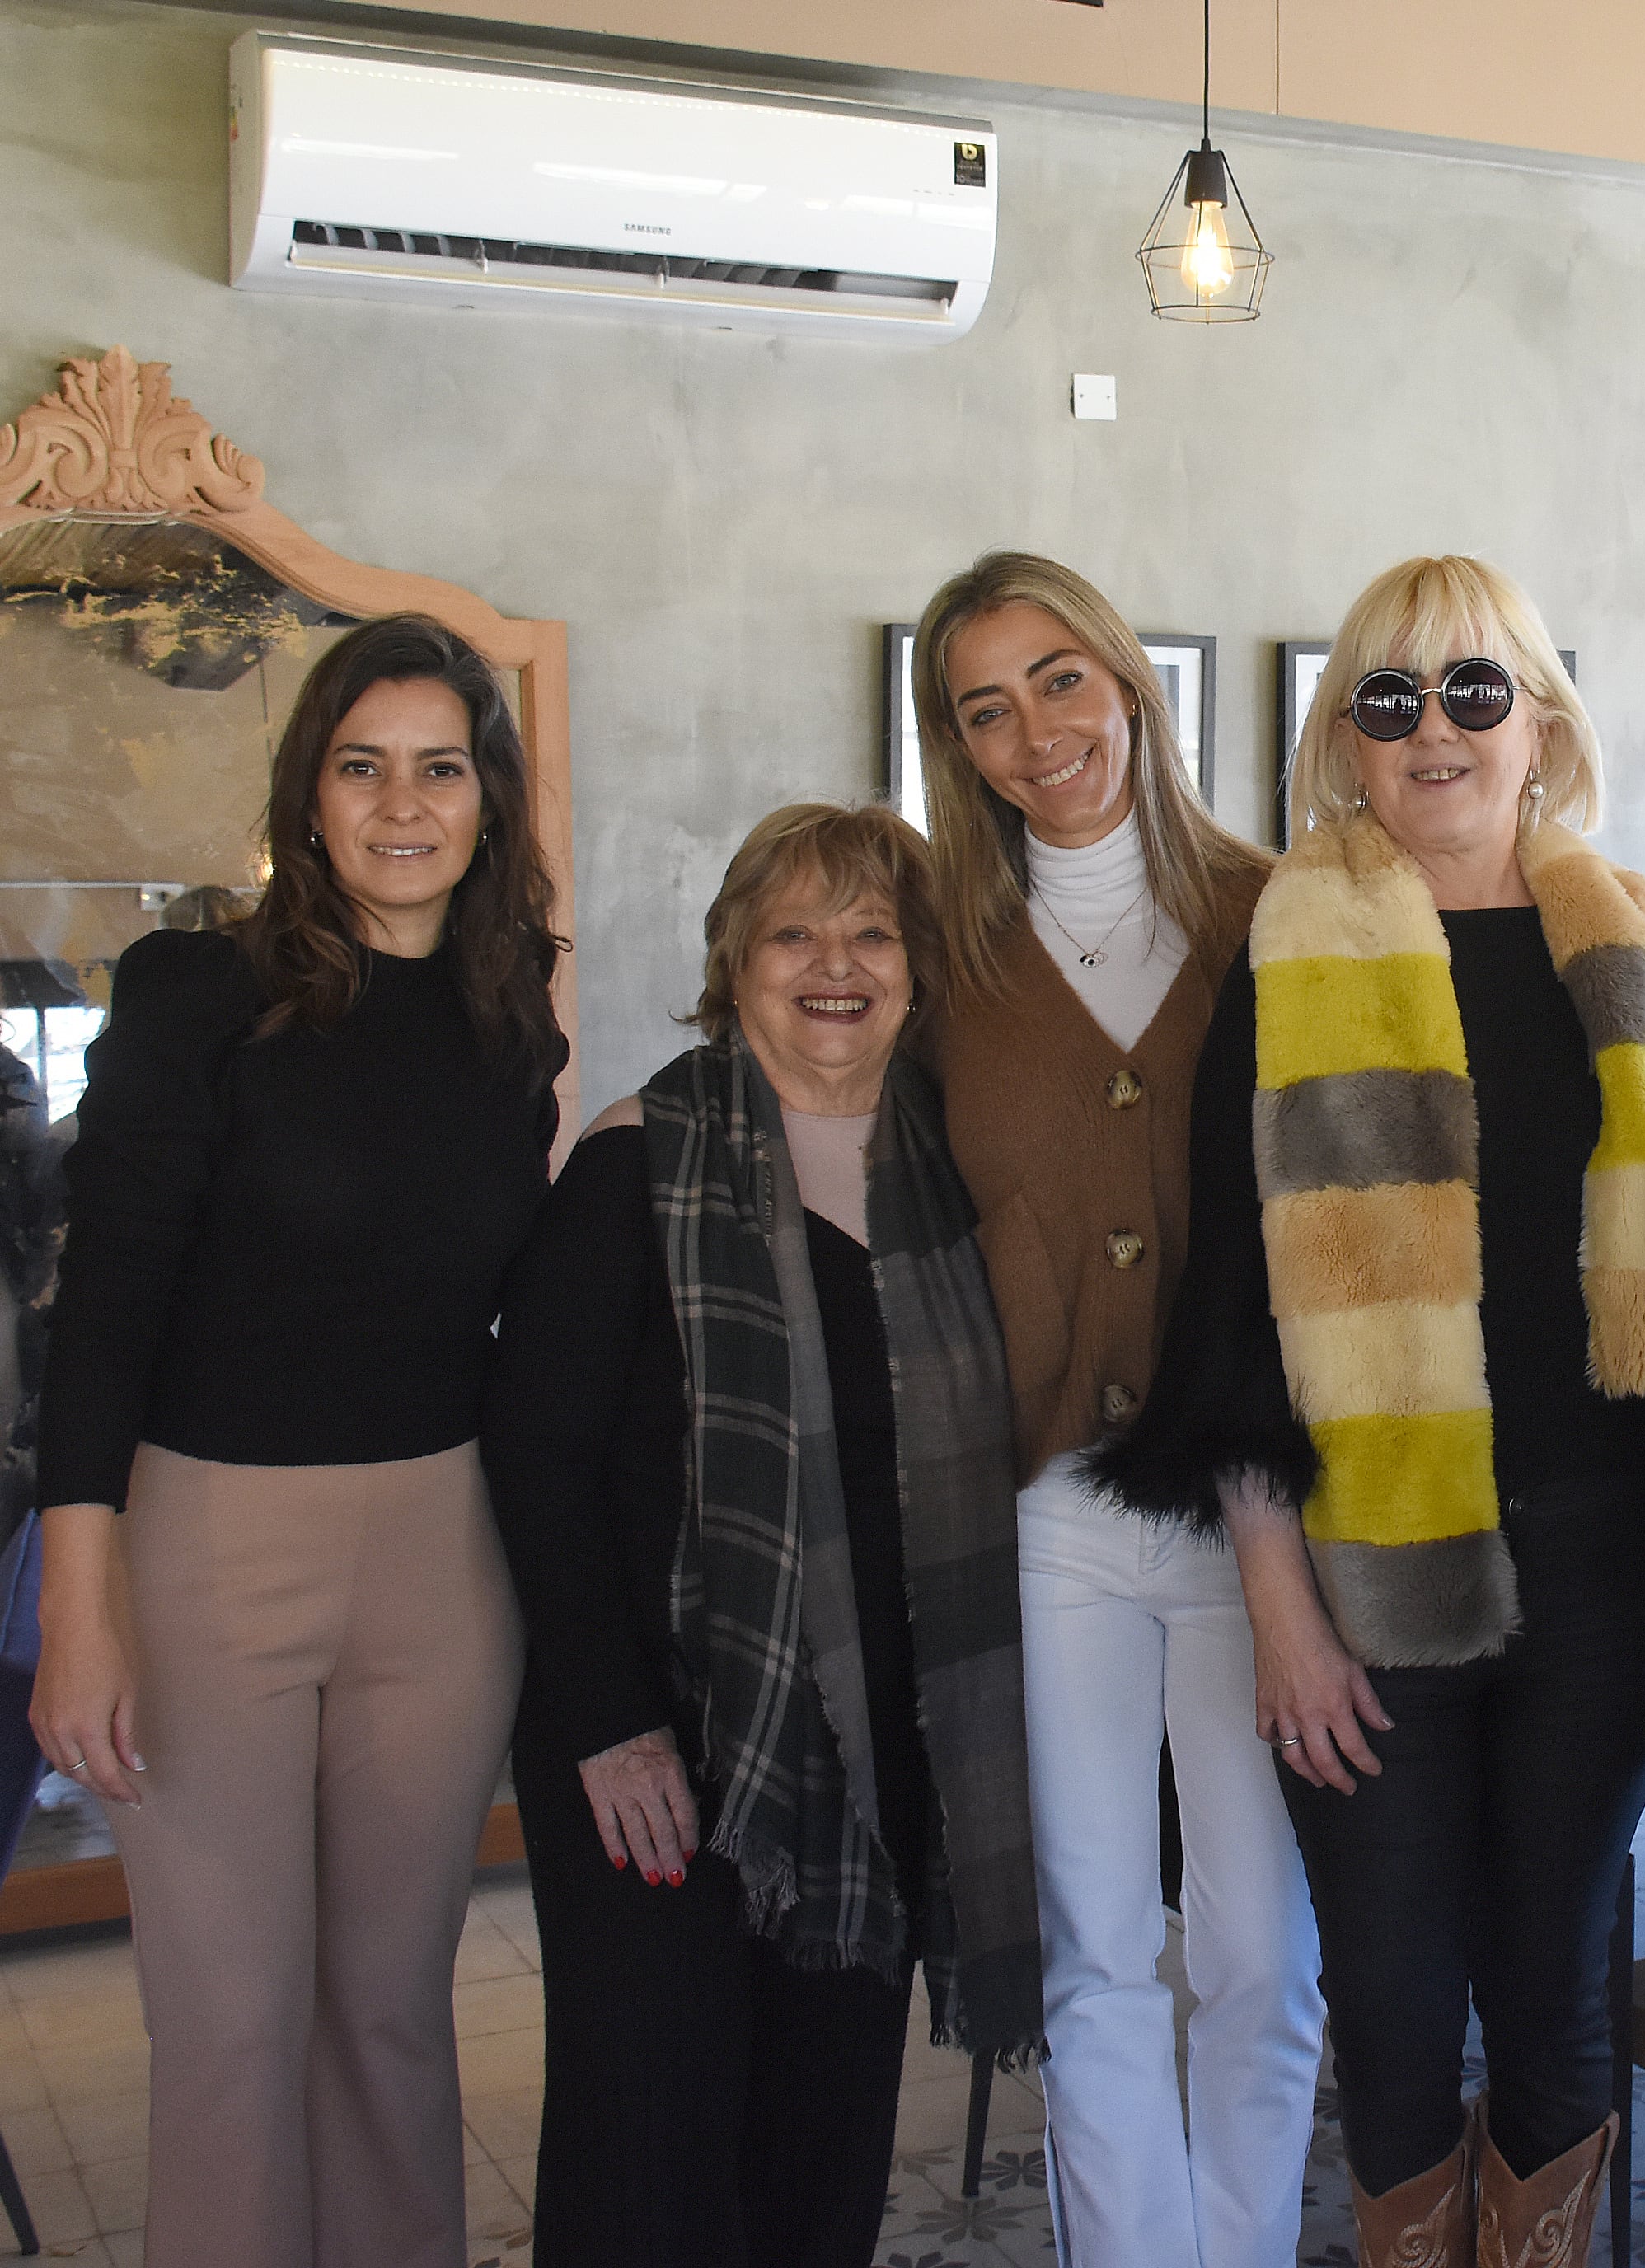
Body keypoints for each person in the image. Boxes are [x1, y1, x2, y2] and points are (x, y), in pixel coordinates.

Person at [1098, 555, 1645, 2266]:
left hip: (1602, 1553)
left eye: (1472, 690)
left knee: (1559, 1981)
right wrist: (1279, 1606)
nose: (1433, 728)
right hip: (1371, 1558)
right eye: (1389, 698)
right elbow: (1227, 1324)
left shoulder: (1629, 936)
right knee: (1387, 1999)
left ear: (1542, 719)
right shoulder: (1287, 956)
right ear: (1345, 742)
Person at [28, 612, 567, 2268]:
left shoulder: (511, 1018)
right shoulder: (203, 990)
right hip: (207, 1552)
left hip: (439, 1558)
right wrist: (76, 1604)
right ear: (309, 794)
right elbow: (102, 1303)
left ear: (488, 797)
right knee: (231, 2026)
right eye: (362, 765)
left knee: (393, 2013)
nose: (402, 802)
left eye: (440, 766)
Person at [481, 803, 1039, 2266]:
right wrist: (611, 1724)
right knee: (649, 2132)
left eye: (873, 932)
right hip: (655, 1737)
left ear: (921, 966)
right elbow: (535, 1458)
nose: (834, 964)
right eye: (795, 931)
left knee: (827, 2129)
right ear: (736, 960)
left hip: (871, 1751)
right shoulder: (638, 1159)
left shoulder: (960, 1174)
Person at [907, 551, 1314, 2266]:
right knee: (1094, 1944)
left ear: (1129, 678)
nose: (1033, 730)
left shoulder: (1284, 908)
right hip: (1053, 1504)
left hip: (1258, 1508)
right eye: (984, 707)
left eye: (1058, 677)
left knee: (1261, 1950)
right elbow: (801, 1047)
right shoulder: (942, 946)